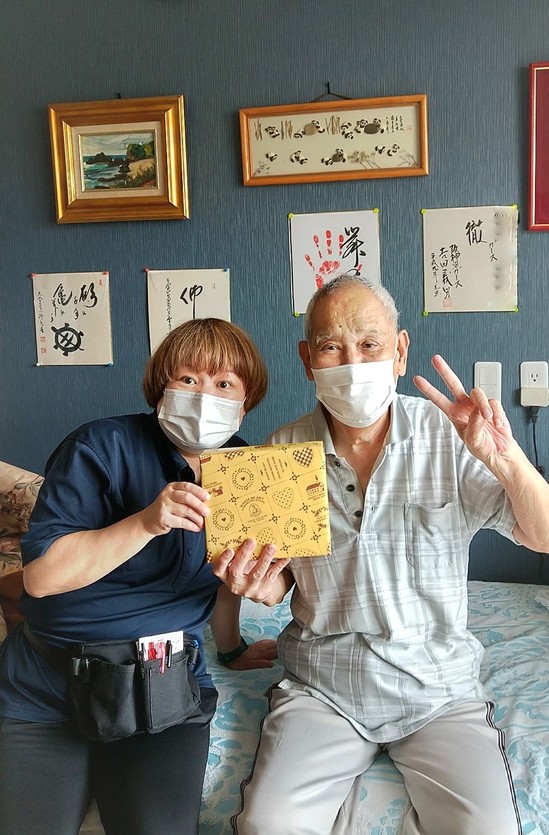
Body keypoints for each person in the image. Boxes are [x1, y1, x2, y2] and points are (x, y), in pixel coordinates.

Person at [213, 275, 549, 835]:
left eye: (370, 344)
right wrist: (254, 585)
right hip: (324, 688)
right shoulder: (281, 454)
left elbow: (543, 536)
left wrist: (506, 459)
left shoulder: (453, 436)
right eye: (331, 347)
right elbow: (280, 581)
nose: (352, 363)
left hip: (439, 688)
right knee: (268, 824)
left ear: (400, 351)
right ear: (307, 360)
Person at [0, 317, 277, 835]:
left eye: (224, 384)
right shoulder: (98, 446)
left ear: (246, 401)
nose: (205, 396)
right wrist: (146, 522)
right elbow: (40, 578)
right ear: (160, 388)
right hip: (47, 689)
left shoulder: (247, 472)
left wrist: (232, 648)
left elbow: (223, 578)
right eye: (188, 378)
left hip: (161, 690)